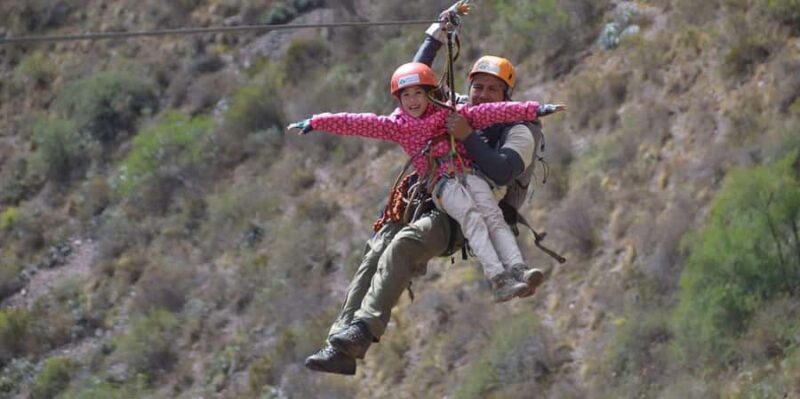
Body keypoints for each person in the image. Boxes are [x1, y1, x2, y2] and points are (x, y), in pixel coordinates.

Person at [302, 12, 559, 376]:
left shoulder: (521, 129)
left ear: (506, 94)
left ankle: (363, 330)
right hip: (435, 197)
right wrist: (436, 34)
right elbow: (414, 83)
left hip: (471, 214)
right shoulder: (457, 107)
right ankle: (339, 344)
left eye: (492, 89)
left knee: (405, 244)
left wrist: (468, 134)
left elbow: (503, 170)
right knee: (376, 250)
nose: (482, 95)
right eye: (478, 87)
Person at [288, 62, 563, 302]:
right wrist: (317, 121)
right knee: (472, 218)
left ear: (431, 94)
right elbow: (355, 122)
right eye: (406, 95)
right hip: (442, 181)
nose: (413, 100)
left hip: (469, 174)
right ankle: (498, 278)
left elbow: (494, 112)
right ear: (399, 99)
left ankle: (517, 268)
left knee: (492, 214)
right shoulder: (396, 126)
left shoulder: (450, 113)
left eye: (419, 93)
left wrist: (537, 109)